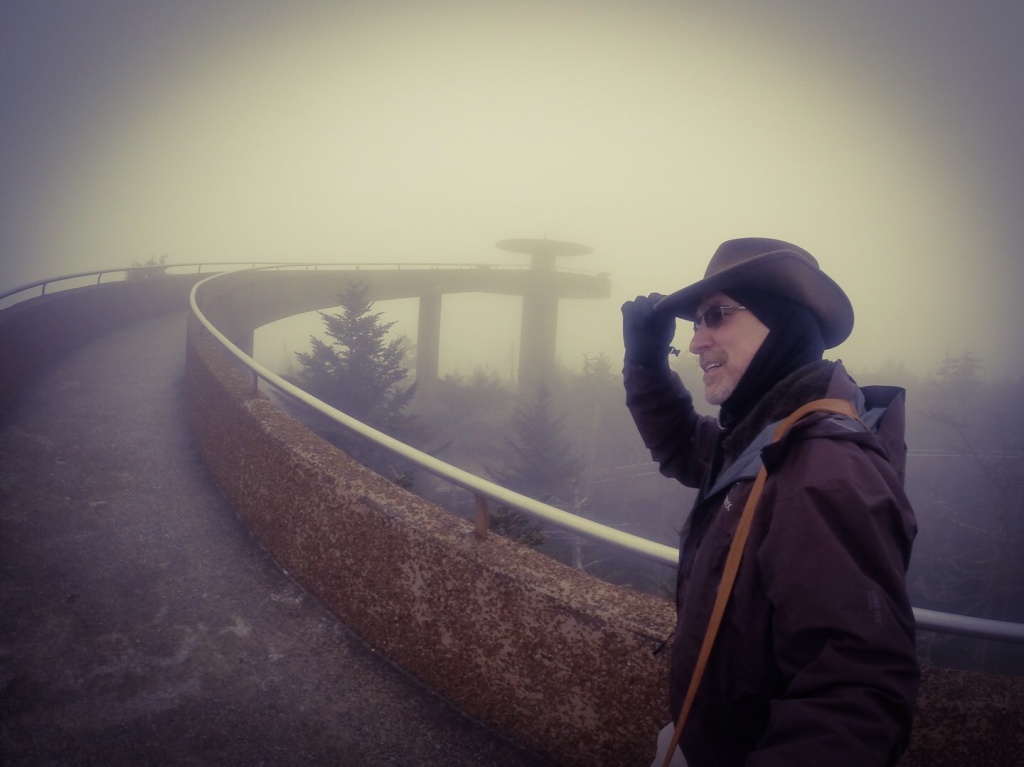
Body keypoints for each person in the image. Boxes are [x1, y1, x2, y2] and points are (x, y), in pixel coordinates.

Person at [622, 237, 919, 767]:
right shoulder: (767, 440)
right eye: (695, 322)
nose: (696, 342)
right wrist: (645, 363)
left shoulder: (827, 471)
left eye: (717, 315)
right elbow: (685, 449)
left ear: (783, 322)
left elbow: (854, 698)